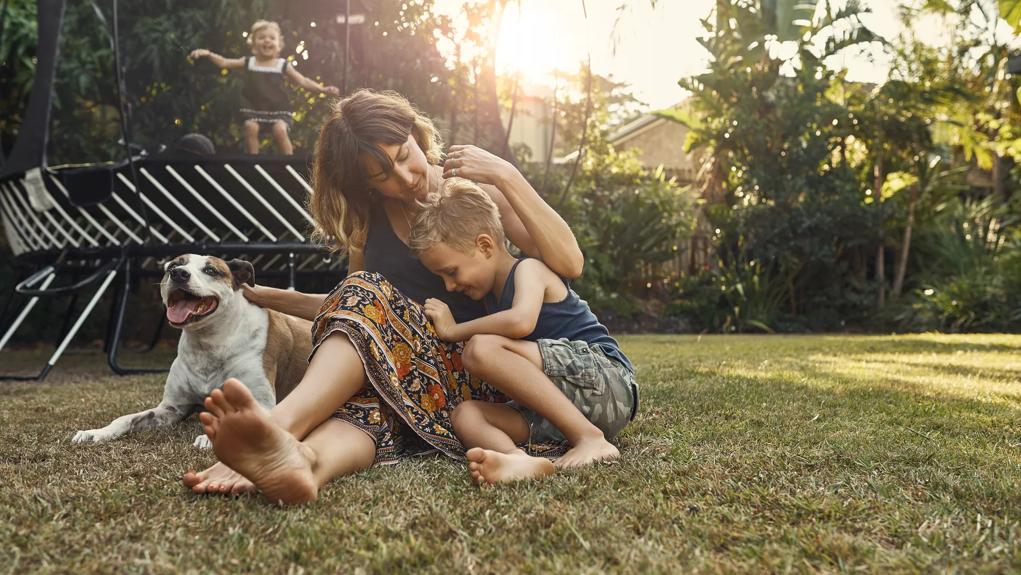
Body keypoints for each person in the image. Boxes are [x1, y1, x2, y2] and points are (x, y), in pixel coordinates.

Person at [182, 89, 586, 504]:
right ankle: (306, 463)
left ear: (416, 133)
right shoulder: (369, 224)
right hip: (415, 378)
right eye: (382, 176)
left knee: (364, 302)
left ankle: (279, 427)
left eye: (403, 155)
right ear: (363, 181)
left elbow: (570, 263)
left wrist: (508, 175)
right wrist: (269, 297)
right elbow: (351, 317)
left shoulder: (473, 192)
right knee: (369, 393)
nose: (405, 178)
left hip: (483, 368)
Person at [408, 179, 638, 485]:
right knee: (466, 415)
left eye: (451, 272)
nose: (450, 286)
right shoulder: (491, 298)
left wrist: (453, 330)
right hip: (566, 404)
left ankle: (590, 438)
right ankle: (517, 460)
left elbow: (521, 322)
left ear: (485, 245)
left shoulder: (529, 269)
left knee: (480, 349)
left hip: (607, 380)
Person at [189, 20, 340, 155]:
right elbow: (224, 62)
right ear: (253, 45)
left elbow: (303, 81)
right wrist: (207, 54)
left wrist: (322, 90)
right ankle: (253, 163)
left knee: (279, 130)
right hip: (254, 106)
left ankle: (289, 163)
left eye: (272, 38)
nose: (267, 41)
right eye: (262, 38)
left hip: (277, 107)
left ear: (279, 45)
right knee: (250, 127)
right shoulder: (249, 62)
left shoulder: (282, 65)